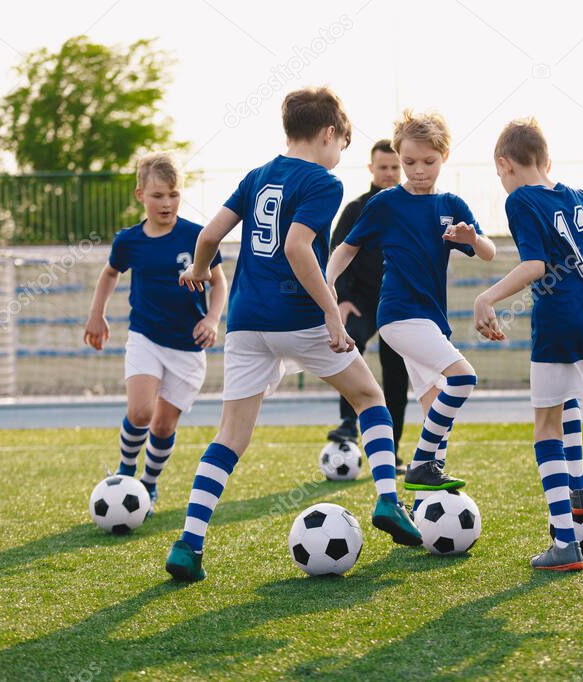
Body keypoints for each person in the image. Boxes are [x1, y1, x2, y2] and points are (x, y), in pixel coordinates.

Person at [164, 87, 420, 583]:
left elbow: (209, 237)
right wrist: (330, 312)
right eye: (342, 144)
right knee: (371, 398)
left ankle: (189, 544)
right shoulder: (322, 182)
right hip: (299, 318)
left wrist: (198, 269)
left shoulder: (257, 176)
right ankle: (389, 500)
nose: (339, 155)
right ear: (329, 134)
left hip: (244, 323)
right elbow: (298, 247)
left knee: (231, 436)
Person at [474, 117, 583, 570]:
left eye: (499, 174)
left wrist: (487, 296)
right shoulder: (582, 197)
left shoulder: (519, 199)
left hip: (561, 319)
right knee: (566, 399)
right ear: (546, 159)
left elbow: (535, 265)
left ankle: (564, 543)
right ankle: (578, 489)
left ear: (504, 164)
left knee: (544, 427)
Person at [327, 109, 496, 513]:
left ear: (445, 156)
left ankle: (428, 495)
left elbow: (487, 252)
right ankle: (422, 464)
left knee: (433, 398)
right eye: (409, 162)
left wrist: (473, 238)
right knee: (463, 378)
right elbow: (346, 247)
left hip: (431, 317)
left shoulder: (452, 204)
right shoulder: (386, 204)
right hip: (399, 316)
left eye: (428, 162)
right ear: (399, 157)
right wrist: (328, 283)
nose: (418, 170)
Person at [84, 151, 227, 516]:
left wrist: (212, 318)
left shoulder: (198, 236)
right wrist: (96, 315)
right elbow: (110, 273)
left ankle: (148, 485)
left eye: (173, 194)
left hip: (187, 347)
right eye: (158, 195)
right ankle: (125, 472)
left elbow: (219, 282)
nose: (166, 203)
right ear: (140, 196)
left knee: (163, 426)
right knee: (141, 410)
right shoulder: (129, 240)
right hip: (145, 336)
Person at [327, 139, 409, 474]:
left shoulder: (410, 206)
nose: (389, 174)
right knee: (350, 345)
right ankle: (349, 422)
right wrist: (342, 299)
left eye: (394, 167)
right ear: (371, 169)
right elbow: (337, 251)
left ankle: (393, 448)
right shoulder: (356, 209)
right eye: (383, 167)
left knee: (396, 372)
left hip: (396, 300)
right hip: (360, 299)